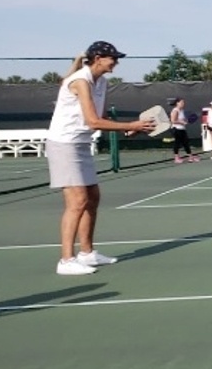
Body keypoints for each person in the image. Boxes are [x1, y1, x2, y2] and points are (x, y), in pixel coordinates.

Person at [47, 41, 156, 275]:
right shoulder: (80, 80)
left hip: (81, 144)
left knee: (93, 198)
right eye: (112, 58)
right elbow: (92, 122)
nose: (116, 62)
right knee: (77, 202)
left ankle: (87, 254)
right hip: (64, 144)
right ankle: (65, 261)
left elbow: (100, 115)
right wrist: (129, 123)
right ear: (98, 58)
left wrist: (128, 130)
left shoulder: (102, 83)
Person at [169, 97, 198, 163]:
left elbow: (181, 119)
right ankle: (176, 158)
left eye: (183, 102)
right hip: (176, 129)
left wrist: (185, 121)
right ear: (177, 103)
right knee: (177, 143)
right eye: (181, 102)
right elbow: (173, 121)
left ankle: (190, 157)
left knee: (186, 143)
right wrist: (182, 122)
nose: (183, 104)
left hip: (182, 129)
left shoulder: (181, 110)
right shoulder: (175, 110)